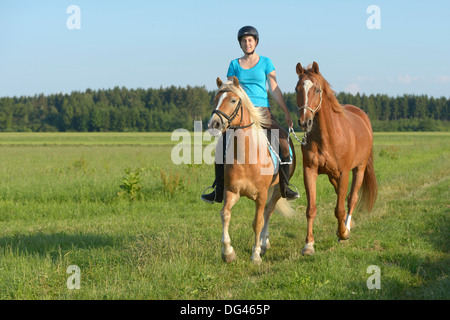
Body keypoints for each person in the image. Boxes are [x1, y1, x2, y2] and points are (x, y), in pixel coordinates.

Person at [201, 26, 299, 203]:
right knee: (221, 146)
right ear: (240, 44)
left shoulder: (266, 62)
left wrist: (286, 112)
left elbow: (274, 89)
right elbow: (229, 90)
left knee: (284, 142)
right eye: (244, 41)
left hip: (262, 111)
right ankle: (218, 189)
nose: (247, 43)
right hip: (241, 112)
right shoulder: (234, 64)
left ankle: (284, 186)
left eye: (250, 40)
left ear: (256, 42)